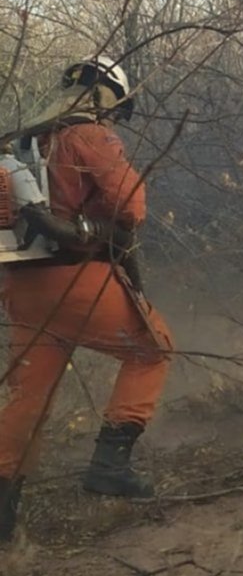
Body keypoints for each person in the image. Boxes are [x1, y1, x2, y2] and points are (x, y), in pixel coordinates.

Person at [0, 55, 175, 543]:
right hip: (76, 278)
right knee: (152, 351)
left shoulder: (23, 143)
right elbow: (131, 207)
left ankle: (2, 514)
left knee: (28, 398)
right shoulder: (88, 135)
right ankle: (110, 464)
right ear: (103, 97)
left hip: (21, 286)